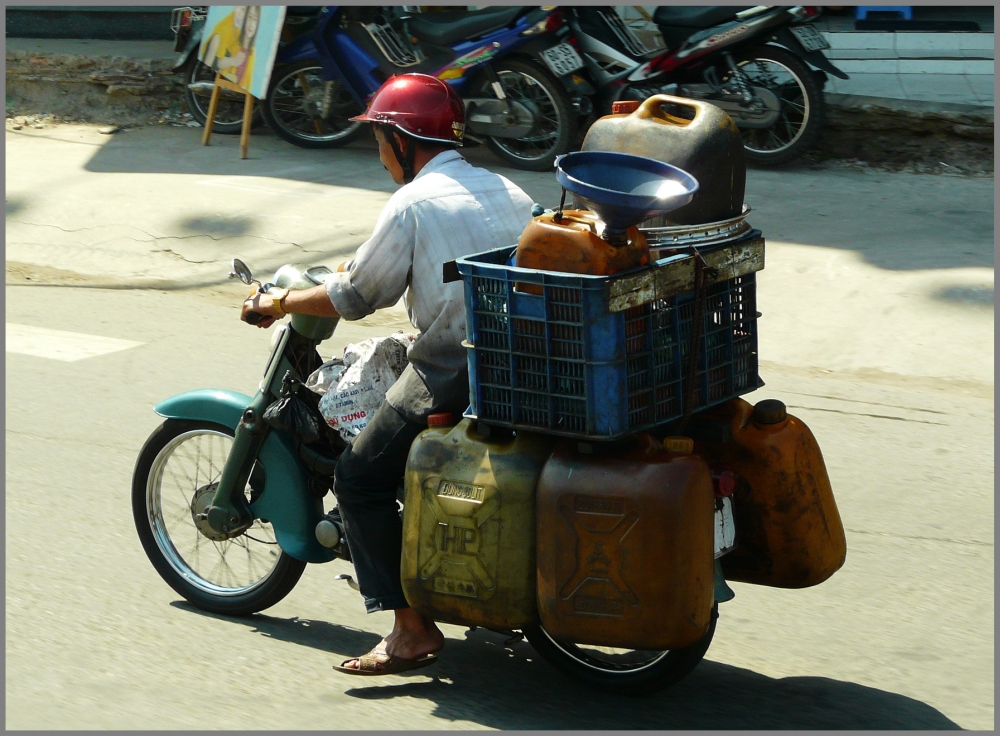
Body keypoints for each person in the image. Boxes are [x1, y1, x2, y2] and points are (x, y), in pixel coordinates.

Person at [239, 73, 534, 676]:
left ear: (403, 140)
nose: (378, 156)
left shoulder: (412, 202)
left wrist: (278, 303)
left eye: (379, 139)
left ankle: (409, 631)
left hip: (457, 366)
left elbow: (354, 296)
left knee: (360, 477)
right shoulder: (505, 187)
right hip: (528, 361)